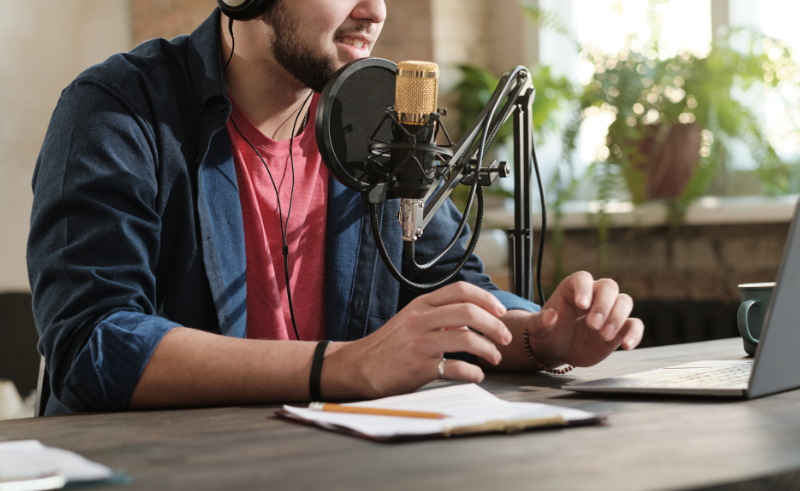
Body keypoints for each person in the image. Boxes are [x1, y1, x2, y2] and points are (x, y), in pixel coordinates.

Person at [27, 0, 643, 416]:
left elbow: (451, 288)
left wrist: (539, 336)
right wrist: (346, 366)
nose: (375, 9)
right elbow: (93, 343)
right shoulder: (116, 112)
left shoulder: (379, 121)